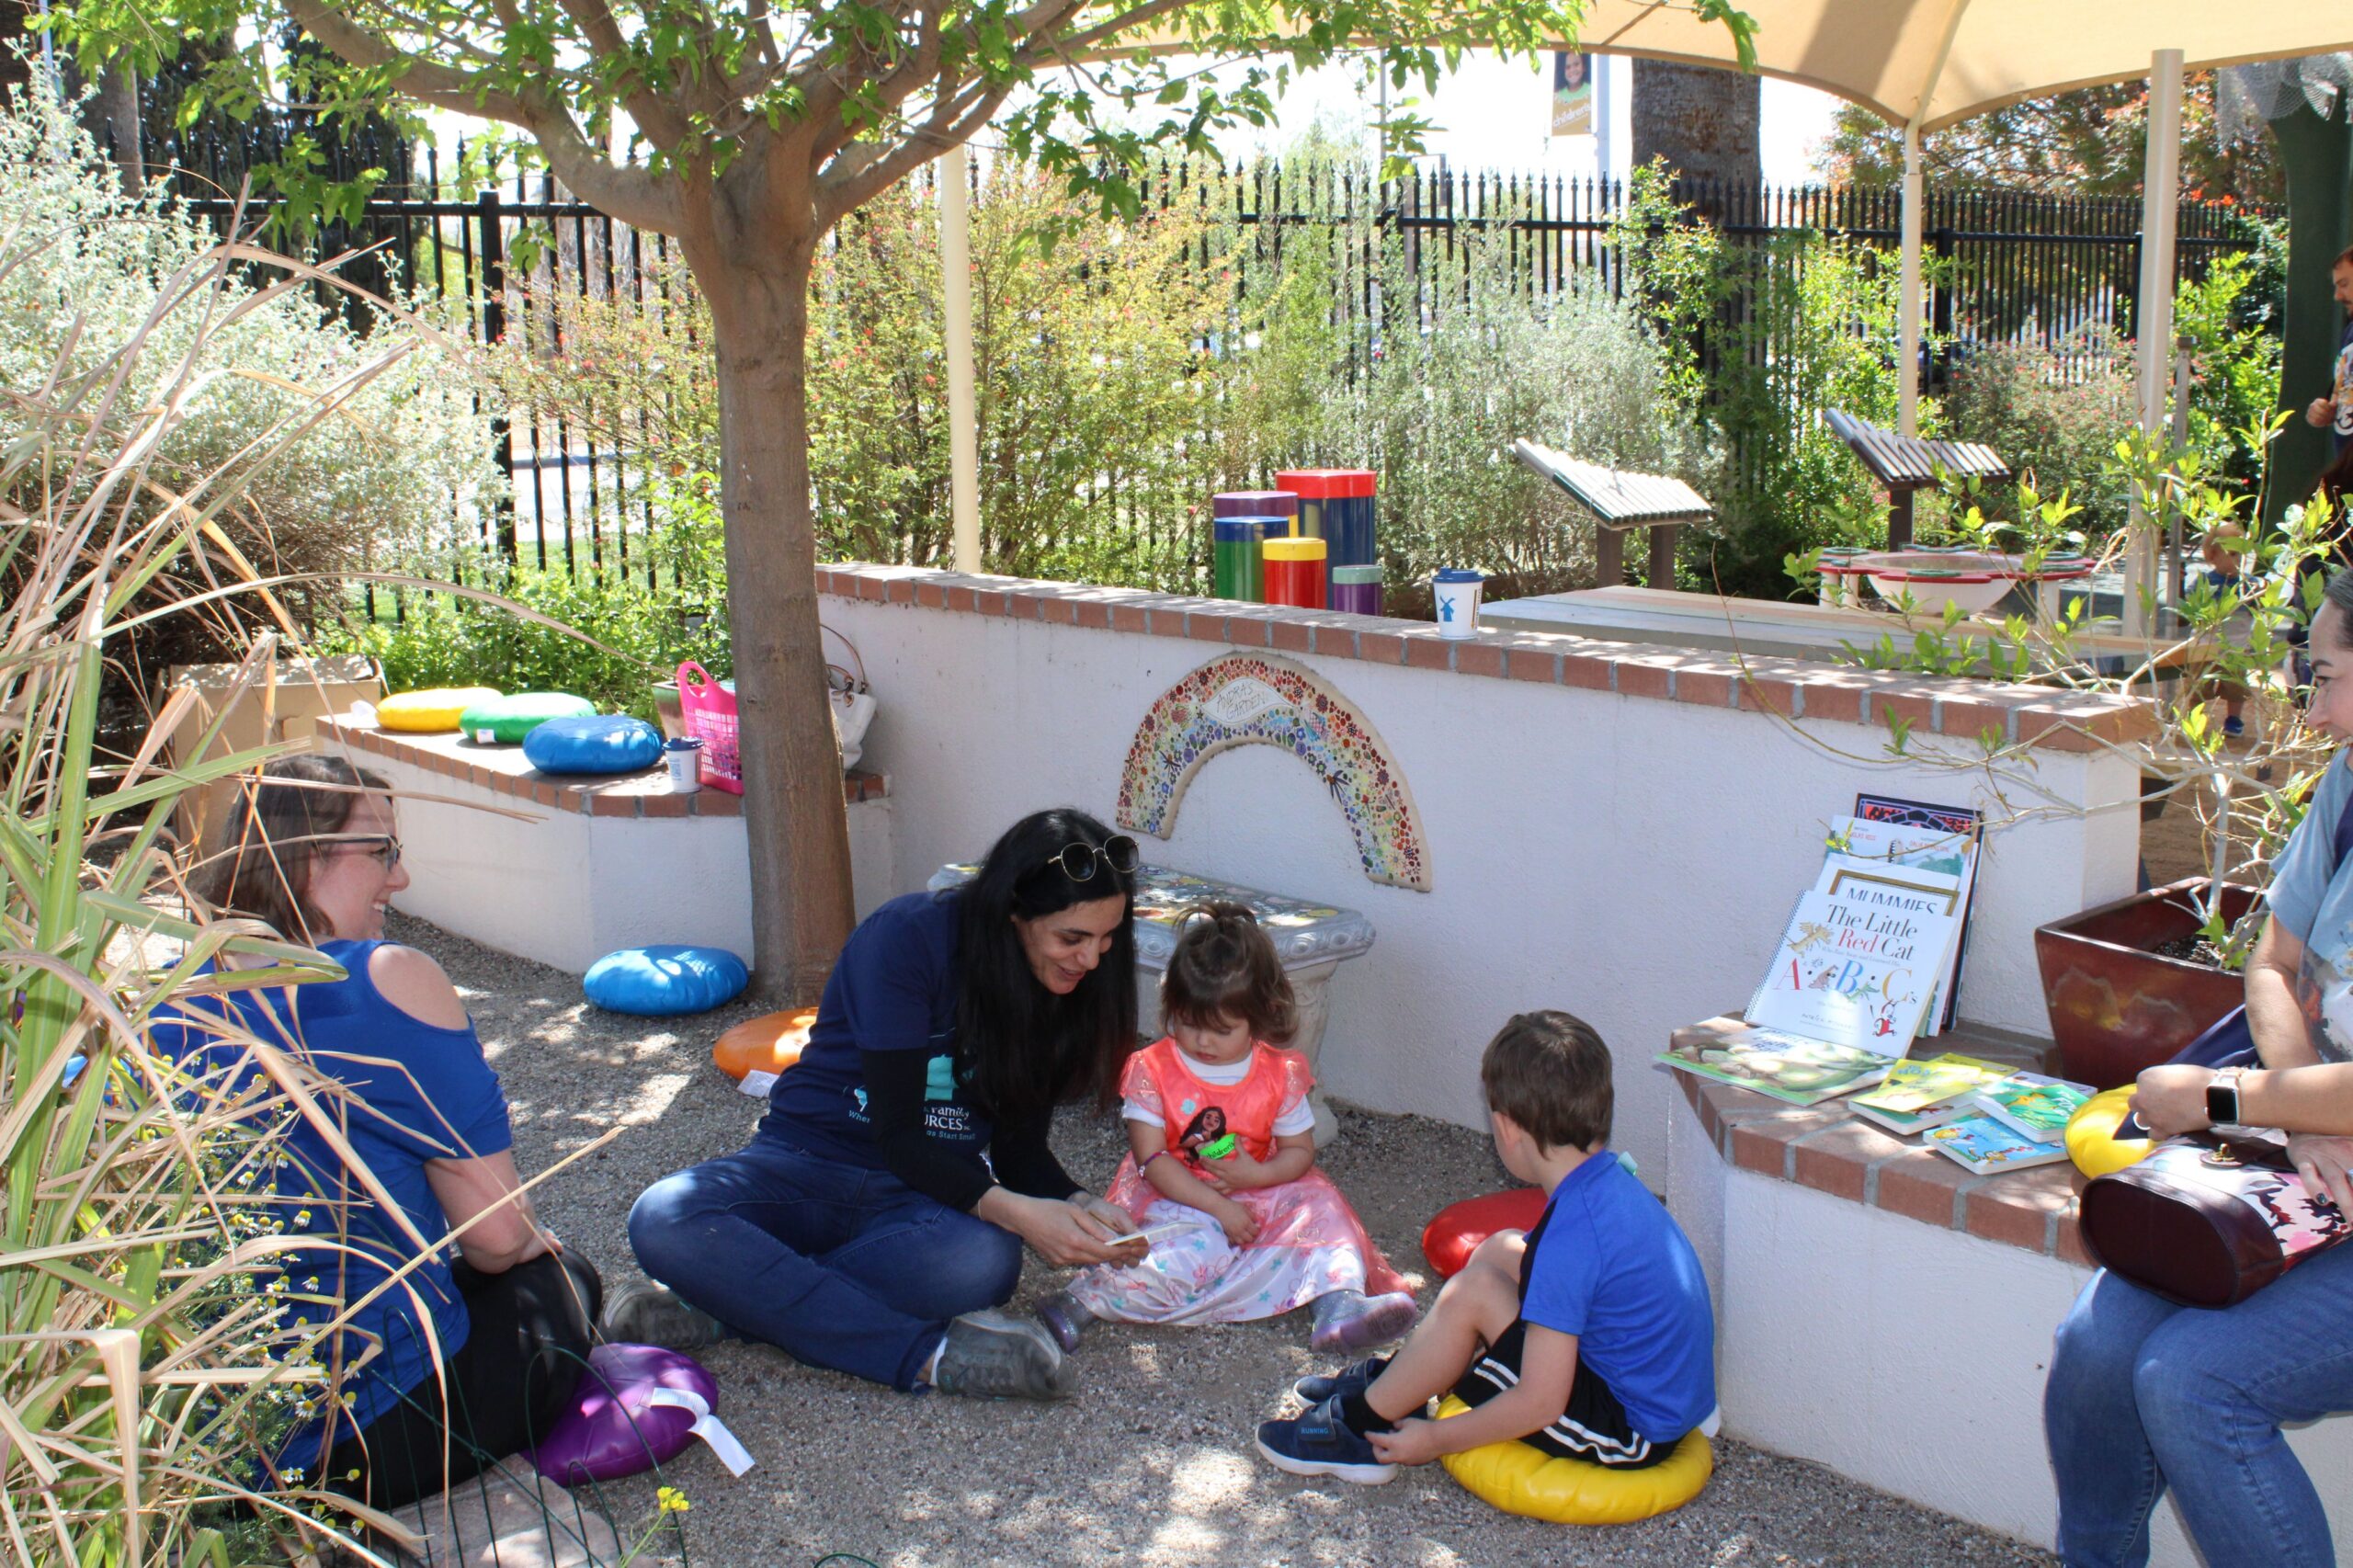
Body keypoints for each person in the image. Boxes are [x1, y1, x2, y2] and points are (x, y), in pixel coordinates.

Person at [154, 755, 598, 1510]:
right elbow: (494, 1238)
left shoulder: (161, 1002)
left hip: (212, 1442)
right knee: (564, 1278)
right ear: (306, 856)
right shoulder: (385, 977)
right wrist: (532, 1243)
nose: (401, 880)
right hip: (363, 1436)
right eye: (383, 851)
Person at [614, 808, 1148, 1401]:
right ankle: (928, 1357)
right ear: (1012, 913)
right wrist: (1019, 1213)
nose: (1092, 960)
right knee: (664, 1215)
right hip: (807, 1161)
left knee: (987, 1263)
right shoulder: (907, 937)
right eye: (1072, 938)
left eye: (1107, 939)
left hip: (925, 1197)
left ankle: (731, 1305)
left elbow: (1019, 1151)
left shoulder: (1065, 986)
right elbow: (899, 1134)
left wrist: (1077, 1203)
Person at [2041, 564, 2353, 1568]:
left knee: (2189, 1381)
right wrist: (2305, 1107)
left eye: (2323, 670)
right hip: (2309, 1153)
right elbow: (2272, 956)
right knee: (2095, 1352)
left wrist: (2226, 1094)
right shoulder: (2347, 780)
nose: (2304, 696)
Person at [1255, 1011, 1718, 1485]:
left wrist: (1437, 1439)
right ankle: (1406, 1381)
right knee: (1500, 1249)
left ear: (1507, 1127)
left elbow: (1542, 1402)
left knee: (1473, 1292)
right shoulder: (1607, 1183)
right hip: (1642, 1387)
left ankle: (1359, 1429)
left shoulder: (1574, 1237)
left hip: (1628, 1431)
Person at [1035, 903, 1416, 1354]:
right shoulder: (1153, 1070)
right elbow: (1151, 1159)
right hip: (1178, 1193)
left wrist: (1257, 1177)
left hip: (1258, 1182)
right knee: (1178, 1252)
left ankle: (1339, 1306)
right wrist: (1219, 1207)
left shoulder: (1279, 1072)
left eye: (1221, 1030)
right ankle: (1081, 1302)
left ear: (1260, 1016)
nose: (1201, 1041)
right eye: (1189, 1023)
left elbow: (1299, 1151)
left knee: (1322, 1207)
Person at [2303, 245, 2353, 462]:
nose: (2337, 296)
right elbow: (2337, 396)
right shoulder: (2349, 334)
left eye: (2344, 284)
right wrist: (2323, 410)